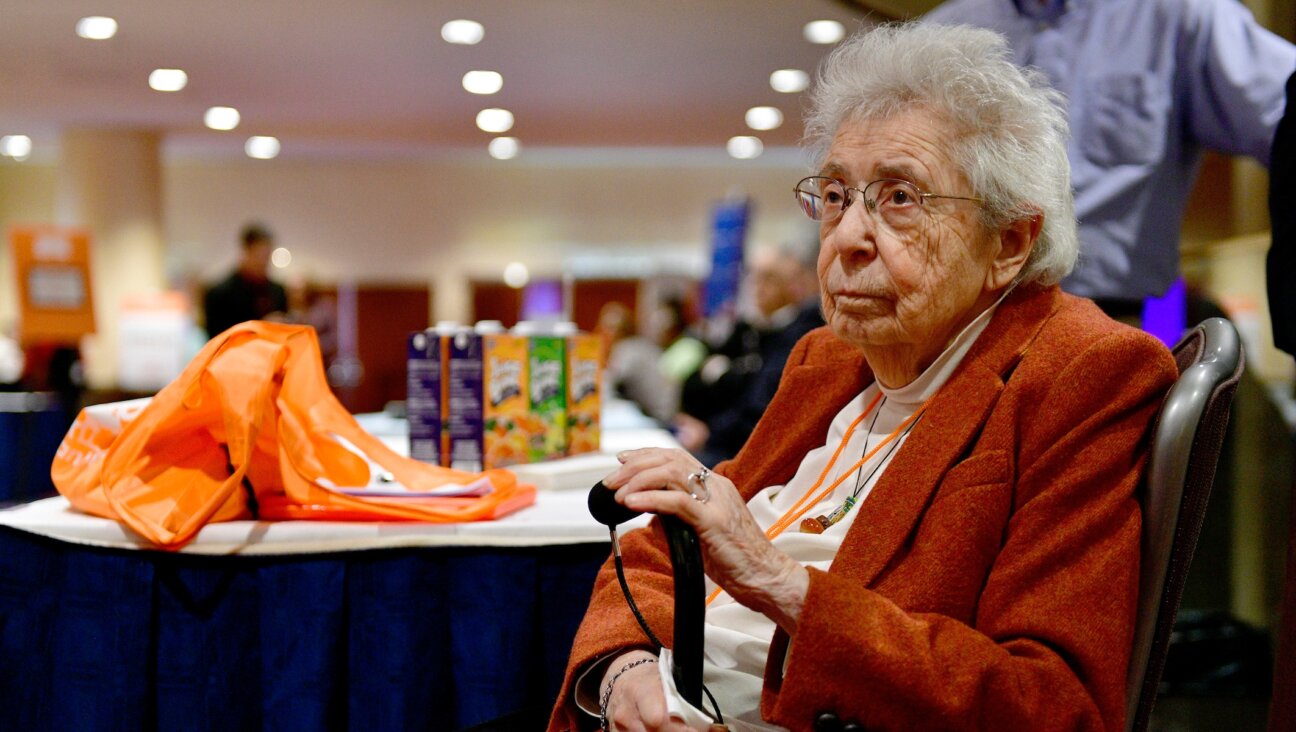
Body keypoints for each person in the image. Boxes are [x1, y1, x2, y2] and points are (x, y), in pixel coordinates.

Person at [551, 23, 1178, 731]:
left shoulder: (1082, 373)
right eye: (837, 195)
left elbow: (1048, 706)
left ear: (1009, 242)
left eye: (901, 198)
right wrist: (623, 667)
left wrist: (777, 582)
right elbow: (658, 548)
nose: (846, 238)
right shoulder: (831, 360)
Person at [924, 0, 1296, 319]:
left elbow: (1285, 109)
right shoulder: (940, 35)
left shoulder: (1175, 13)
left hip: (1127, 320)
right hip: (962, 324)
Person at [676, 242, 824, 466]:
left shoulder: (801, 336)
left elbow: (761, 408)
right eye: (754, 277)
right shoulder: (747, 330)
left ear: (794, 285)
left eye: (769, 278)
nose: (758, 287)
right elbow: (693, 383)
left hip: (747, 454)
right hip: (716, 441)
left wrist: (709, 432)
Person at [597, 301, 678, 424]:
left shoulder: (627, 350)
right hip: (665, 411)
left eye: (607, 328)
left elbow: (610, 383)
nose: (603, 333)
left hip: (659, 418)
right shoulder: (639, 345)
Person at [202, 223, 288, 338]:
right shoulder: (219, 294)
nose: (264, 262)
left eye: (267, 256)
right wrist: (260, 327)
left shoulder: (277, 291)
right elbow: (218, 340)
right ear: (246, 252)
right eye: (259, 255)